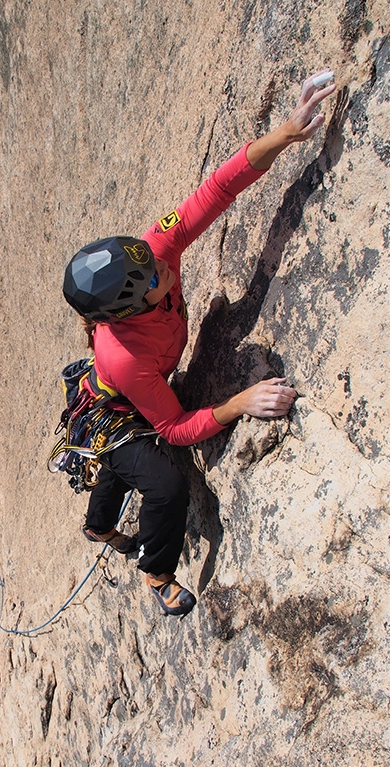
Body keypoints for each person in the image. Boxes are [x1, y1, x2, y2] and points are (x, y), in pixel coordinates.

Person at [62, 71, 336, 616]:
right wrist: (239, 404)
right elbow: (174, 429)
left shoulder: (152, 250)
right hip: (118, 410)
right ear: (126, 310)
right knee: (163, 483)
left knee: (125, 468)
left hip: (132, 388)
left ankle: (98, 525)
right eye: (154, 280)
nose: (167, 267)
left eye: (154, 263)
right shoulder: (125, 354)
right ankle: (157, 572)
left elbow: (217, 189)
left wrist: (285, 132)